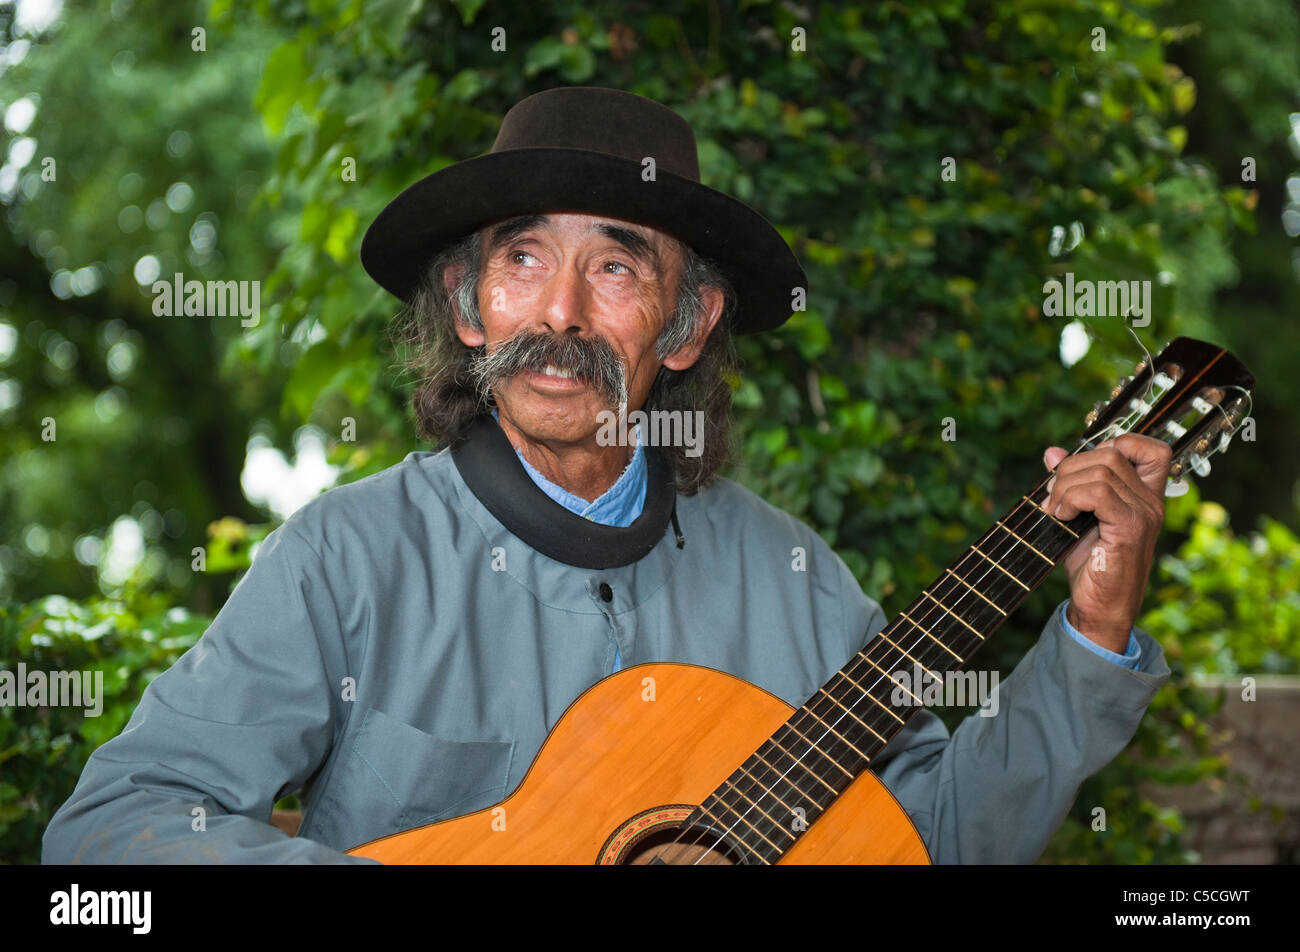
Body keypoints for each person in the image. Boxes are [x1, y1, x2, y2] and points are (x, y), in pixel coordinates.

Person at [42, 86, 1171, 865]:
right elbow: (115, 828)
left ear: (686, 327)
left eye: (616, 268)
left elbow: (937, 840)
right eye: (521, 260)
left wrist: (1092, 640)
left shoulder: (790, 580)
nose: (560, 314)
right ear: (470, 308)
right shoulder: (346, 559)